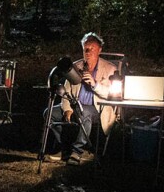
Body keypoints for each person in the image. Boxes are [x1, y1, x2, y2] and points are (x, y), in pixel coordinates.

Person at [45, 32, 118, 165]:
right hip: (75, 105)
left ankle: (77, 151)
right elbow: (66, 91)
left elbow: (111, 94)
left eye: (92, 49)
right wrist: (67, 109)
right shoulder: (75, 67)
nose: (88, 52)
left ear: (99, 50)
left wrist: (95, 84)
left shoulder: (110, 69)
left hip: (97, 108)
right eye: (86, 49)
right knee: (49, 113)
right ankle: (65, 148)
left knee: (85, 112)